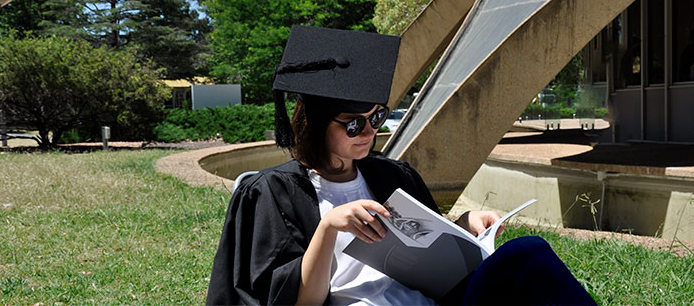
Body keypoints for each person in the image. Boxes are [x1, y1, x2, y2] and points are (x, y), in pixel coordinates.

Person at [206, 26, 595, 305]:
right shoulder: (273, 193)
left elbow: (429, 246)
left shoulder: (392, 175)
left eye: (376, 118)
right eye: (354, 123)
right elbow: (298, 301)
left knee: (527, 253)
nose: (369, 132)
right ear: (314, 124)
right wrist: (329, 226)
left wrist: (467, 225)